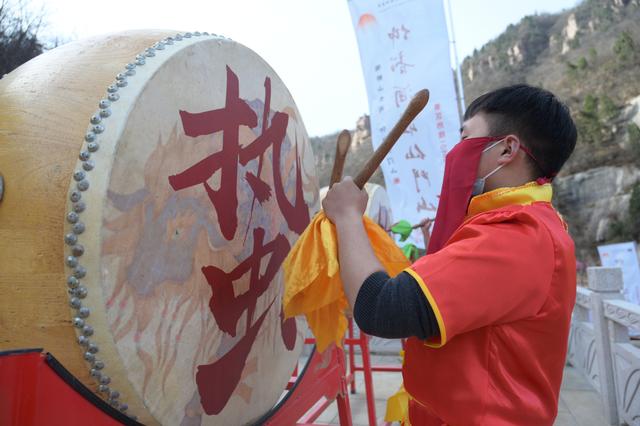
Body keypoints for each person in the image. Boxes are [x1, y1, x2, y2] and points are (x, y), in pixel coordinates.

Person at [322, 84, 577, 425]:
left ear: (506, 149)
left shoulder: (517, 235)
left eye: (465, 138)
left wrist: (348, 217)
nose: (456, 152)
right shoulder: (526, 226)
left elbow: (381, 309)